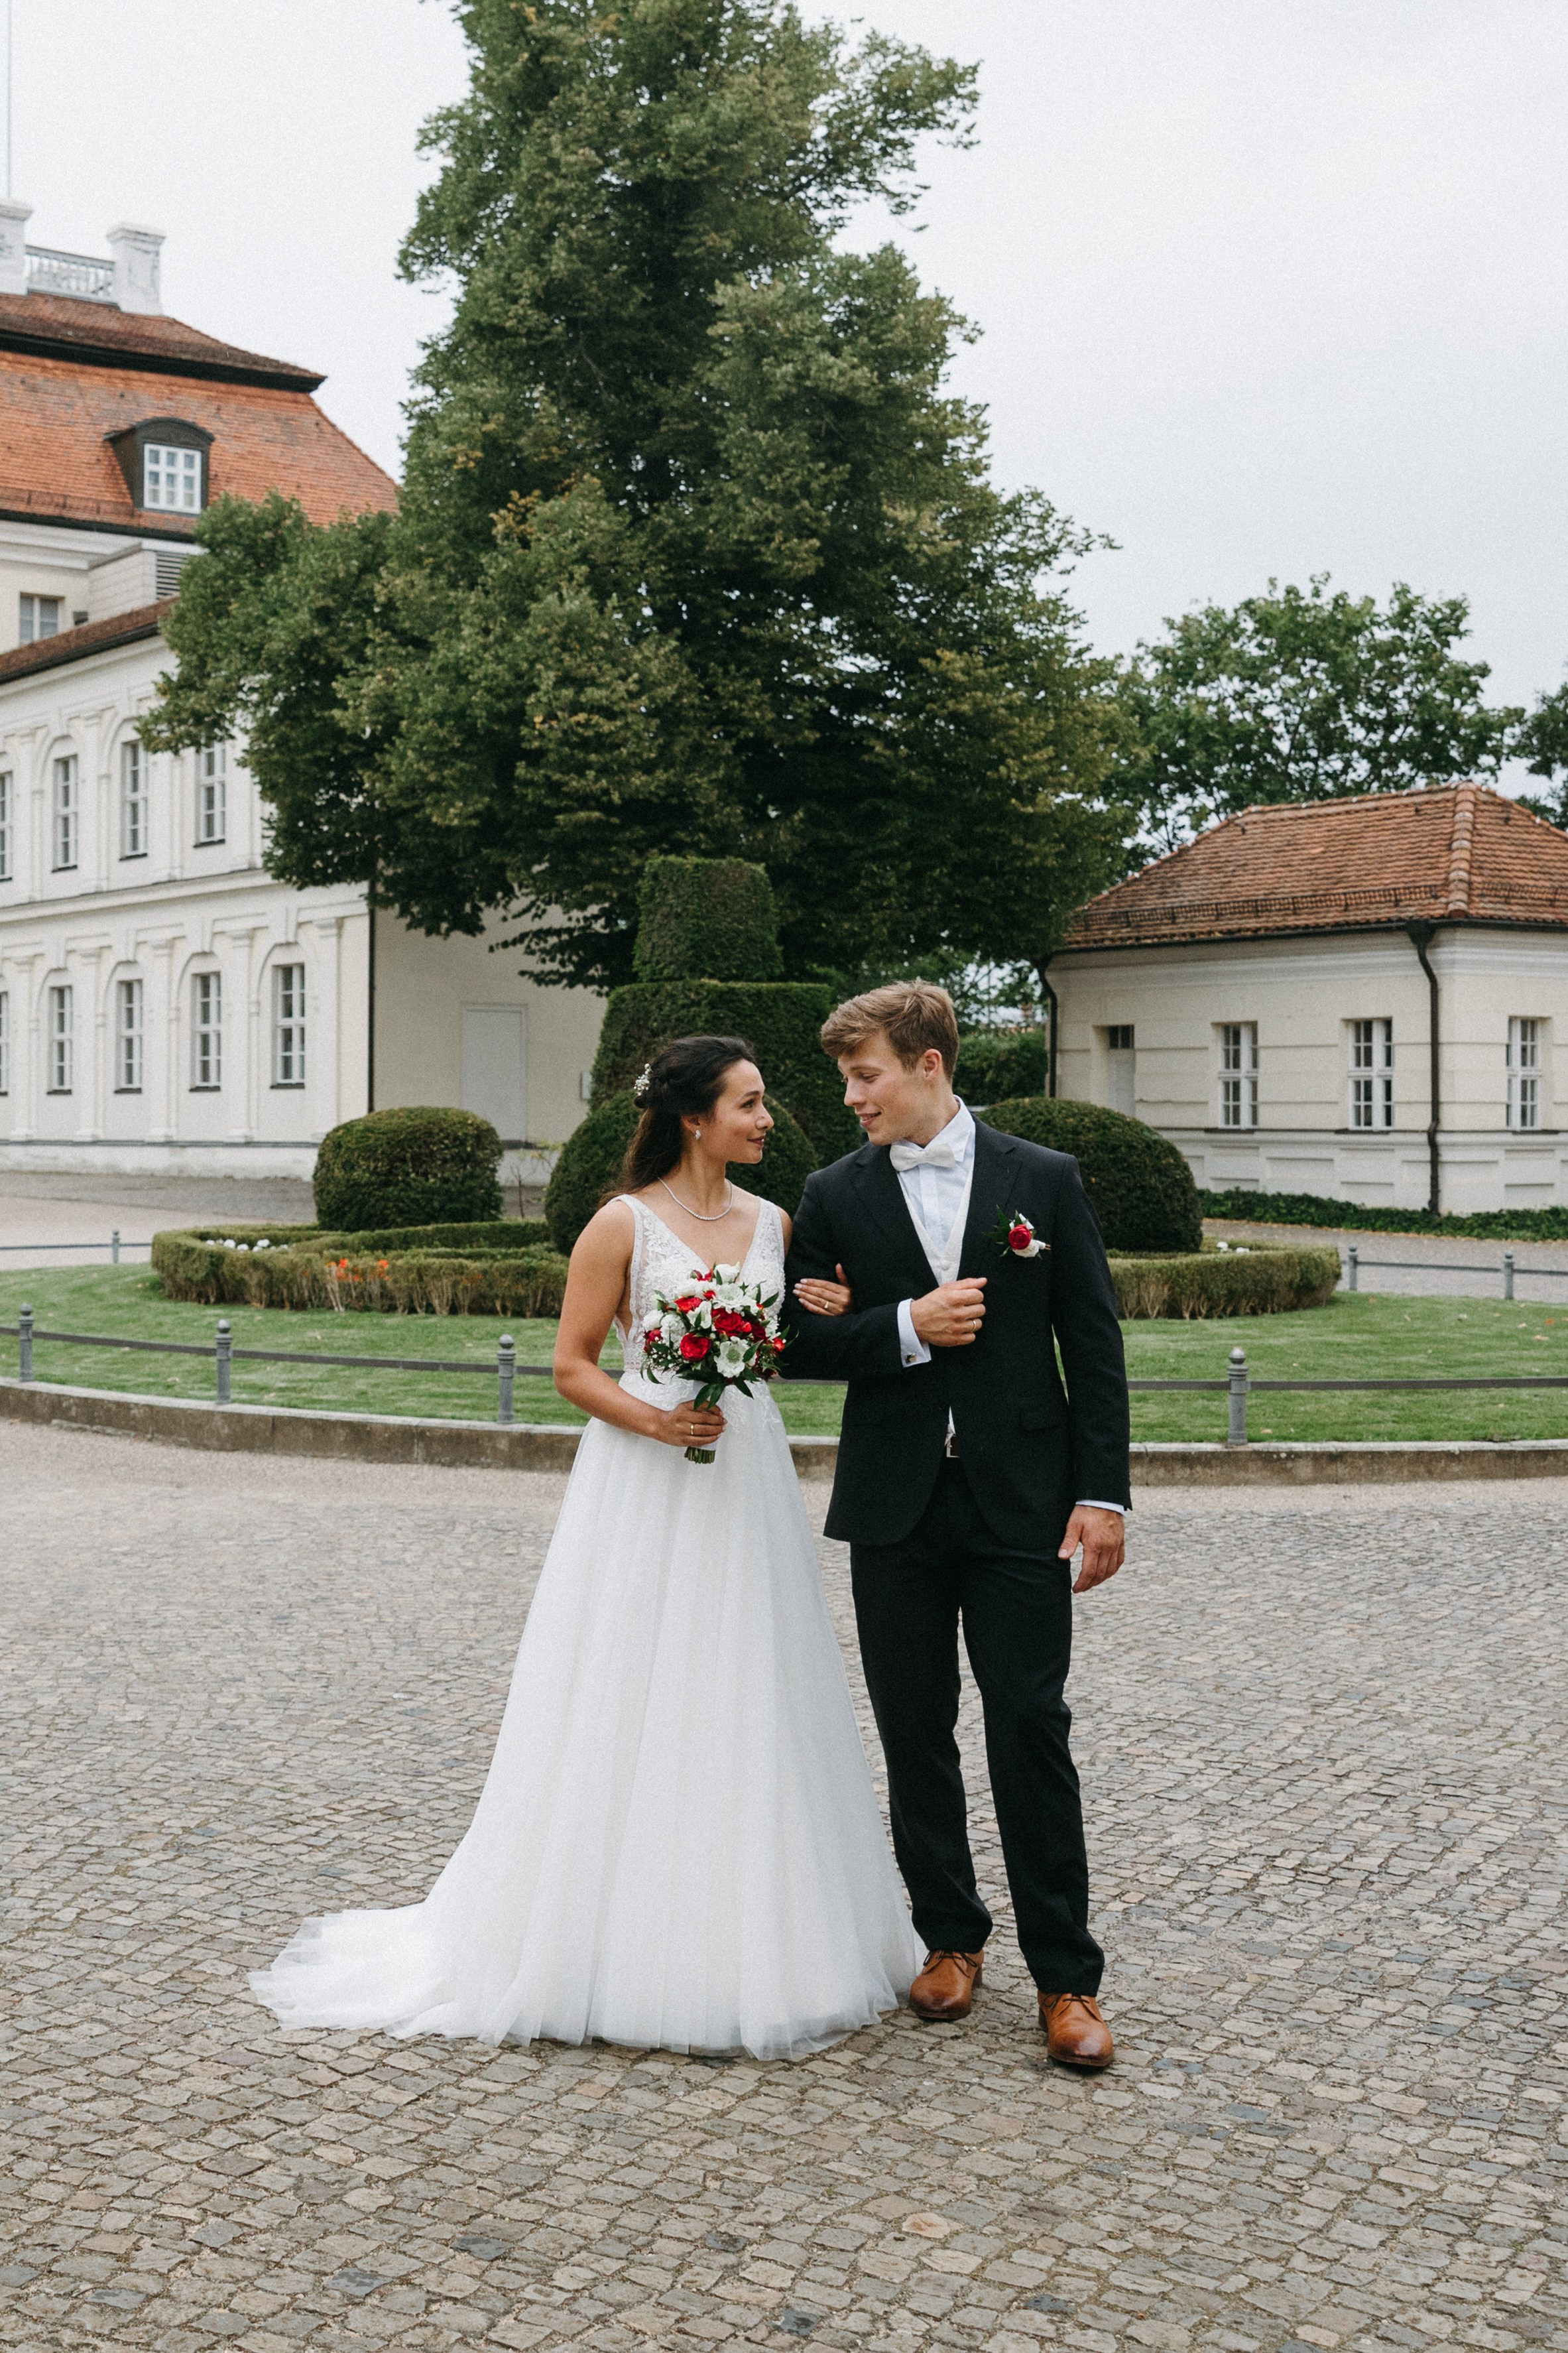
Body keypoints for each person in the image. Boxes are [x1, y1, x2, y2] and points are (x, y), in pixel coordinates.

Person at [250, 1035, 921, 2061]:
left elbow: (800, 1341)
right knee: (627, 1675)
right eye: (749, 1103)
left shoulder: (776, 1223)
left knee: (750, 1674)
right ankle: (601, 1933)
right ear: (695, 1118)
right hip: (644, 1470)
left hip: (741, 1470)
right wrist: (653, 1421)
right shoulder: (620, 1225)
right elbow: (571, 1367)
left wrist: (821, 1311)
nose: (767, 1118)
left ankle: (765, 1920)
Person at [782, 982, 1130, 2068]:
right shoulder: (831, 1192)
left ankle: (1066, 1980)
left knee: (1030, 1725)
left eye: (866, 1074)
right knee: (912, 1728)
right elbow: (794, 1338)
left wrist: (1103, 1494)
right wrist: (902, 1325)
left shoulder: (1045, 1180)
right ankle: (949, 1940)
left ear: (929, 1063)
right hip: (894, 1506)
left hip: (1021, 1500)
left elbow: (1093, 1340)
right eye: (848, 1079)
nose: (852, 1098)